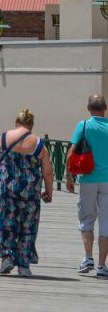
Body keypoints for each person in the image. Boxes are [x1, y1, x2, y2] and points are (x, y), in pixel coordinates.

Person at [0, 108, 54, 277]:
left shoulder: (3, 137)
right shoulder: (39, 143)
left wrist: (4, 166)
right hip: (29, 189)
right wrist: (48, 192)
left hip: (6, 186)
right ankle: (23, 264)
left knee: (5, 220)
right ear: (31, 125)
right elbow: (48, 172)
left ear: (16, 123)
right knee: (27, 223)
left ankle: (7, 256)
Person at [67, 94, 108, 277]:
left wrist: (69, 177)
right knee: (106, 223)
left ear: (88, 107)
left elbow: (71, 153)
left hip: (89, 179)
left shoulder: (83, 125)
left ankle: (88, 257)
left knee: (86, 218)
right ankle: (101, 265)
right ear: (105, 107)